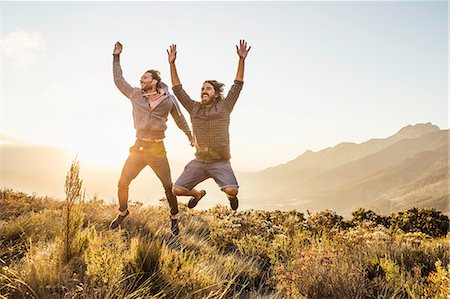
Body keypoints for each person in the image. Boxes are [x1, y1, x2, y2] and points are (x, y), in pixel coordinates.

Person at [110, 41, 193, 236]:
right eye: (141, 78)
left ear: (154, 80)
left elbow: (180, 119)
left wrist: (190, 137)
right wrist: (116, 56)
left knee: (168, 186)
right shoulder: (134, 95)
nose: (141, 80)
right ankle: (123, 212)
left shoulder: (168, 100)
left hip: (157, 149)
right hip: (138, 148)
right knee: (123, 183)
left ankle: (174, 219)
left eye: (145, 78)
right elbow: (118, 79)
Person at [167, 40, 251, 211]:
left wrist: (241, 60)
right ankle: (198, 194)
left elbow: (237, 86)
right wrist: (172, 63)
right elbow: (177, 90)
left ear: (215, 94)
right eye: (202, 88)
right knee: (177, 190)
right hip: (200, 161)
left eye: (208, 88)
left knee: (232, 190)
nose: (204, 90)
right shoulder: (193, 108)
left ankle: (229, 196)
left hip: (220, 162)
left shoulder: (224, 107)